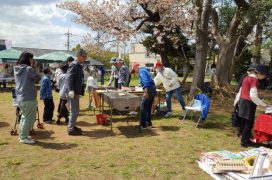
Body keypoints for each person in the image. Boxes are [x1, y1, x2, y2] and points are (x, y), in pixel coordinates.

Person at [234, 65, 269, 147]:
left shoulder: (246, 77)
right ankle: (245, 141)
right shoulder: (254, 80)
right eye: (264, 76)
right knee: (248, 123)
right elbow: (253, 96)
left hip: (242, 102)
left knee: (244, 122)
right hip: (248, 104)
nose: (264, 77)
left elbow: (243, 90)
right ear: (259, 73)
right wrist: (262, 104)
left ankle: (243, 138)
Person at [14, 52, 41, 144]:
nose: (32, 60)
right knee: (30, 118)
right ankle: (24, 137)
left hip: (19, 97)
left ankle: (22, 135)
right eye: (31, 59)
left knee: (24, 117)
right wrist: (34, 67)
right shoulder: (29, 69)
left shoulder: (16, 68)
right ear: (28, 59)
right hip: (29, 97)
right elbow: (38, 78)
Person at [66, 49, 87, 135]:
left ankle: (73, 126)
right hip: (73, 91)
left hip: (76, 91)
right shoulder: (74, 65)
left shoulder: (78, 65)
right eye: (84, 57)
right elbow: (69, 78)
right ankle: (71, 129)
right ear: (79, 56)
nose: (85, 58)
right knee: (74, 111)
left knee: (76, 110)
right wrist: (71, 90)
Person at [55, 57, 74, 125]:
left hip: (62, 93)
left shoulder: (61, 75)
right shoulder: (67, 76)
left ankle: (66, 118)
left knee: (64, 106)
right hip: (66, 94)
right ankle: (58, 119)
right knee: (64, 107)